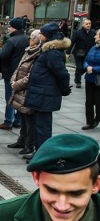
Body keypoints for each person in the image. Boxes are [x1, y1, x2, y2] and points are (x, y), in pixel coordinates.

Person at [24, 22, 71, 156]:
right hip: (41, 93)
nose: (39, 35)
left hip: (45, 94)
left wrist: (65, 89)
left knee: (43, 127)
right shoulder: (48, 50)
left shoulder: (52, 52)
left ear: (47, 36)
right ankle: (39, 152)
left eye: (41, 33)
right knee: (39, 125)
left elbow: (62, 73)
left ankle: (43, 154)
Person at [8, 29, 42, 157]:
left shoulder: (37, 54)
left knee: (29, 120)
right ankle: (22, 140)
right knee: (22, 117)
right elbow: (18, 68)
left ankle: (29, 145)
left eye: (31, 38)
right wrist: (13, 80)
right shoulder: (28, 51)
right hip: (19, 88)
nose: (29, 40)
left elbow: (30, 75)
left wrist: (16, 84)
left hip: (26, 90)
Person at [0, 18, 28, 130]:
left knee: (9, 97)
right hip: (22, 72)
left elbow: (3, 55)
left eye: (10, 26)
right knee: (19, 96)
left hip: (10, 72)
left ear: (14, 27)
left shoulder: (12, 40)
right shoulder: (25, 38)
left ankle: (8, 120)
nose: (8, 28)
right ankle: (18, 120)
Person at [69, 19, 96, 88]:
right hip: (79, 53)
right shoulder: (78, 32)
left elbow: (95, 43)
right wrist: (68, 52)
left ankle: (77, 75)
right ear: (83, 24)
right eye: (86, 24)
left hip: (88, 54)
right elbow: (72, 42)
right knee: (79, 67)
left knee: (85, 68)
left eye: (89, 23)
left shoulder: (93, 32)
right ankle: (78, 82)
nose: (88, 25)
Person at [82, 29, 100, 129]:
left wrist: (93, 69)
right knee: (88, 101)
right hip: (89, 78)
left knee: (98, 101)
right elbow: (86, 59)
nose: (94, 36)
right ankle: (90, 122)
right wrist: (86, 67)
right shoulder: (93, 48)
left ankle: (98, 118)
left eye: (97, 35)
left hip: (98, 79)